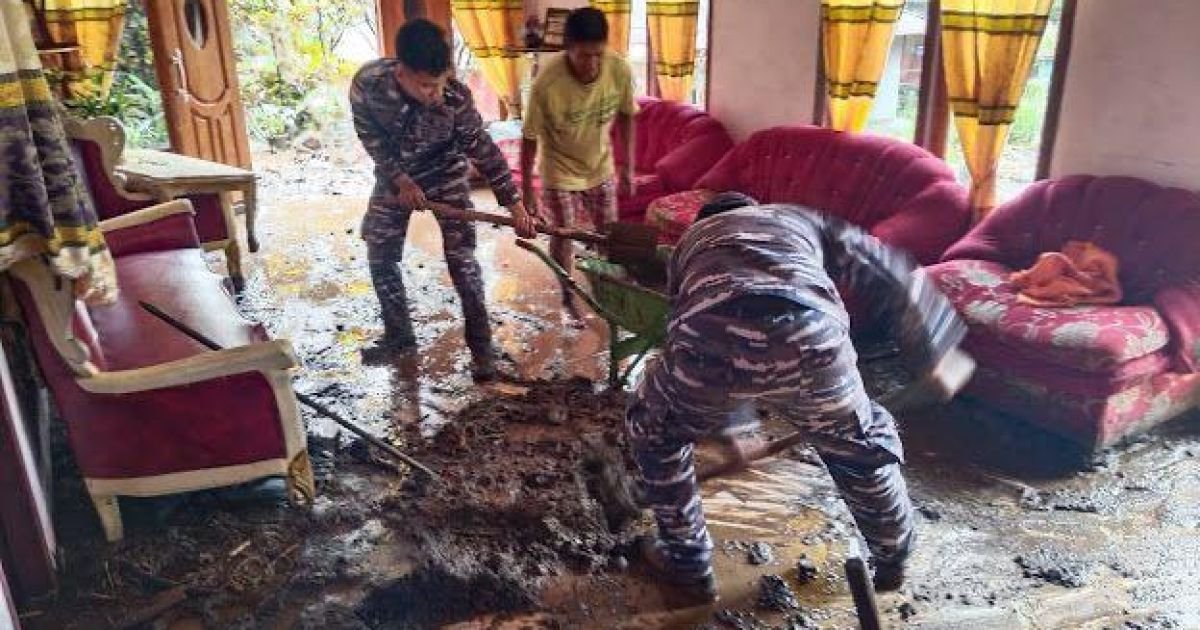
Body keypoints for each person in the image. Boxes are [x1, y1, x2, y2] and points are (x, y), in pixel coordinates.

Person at [627, 193, 975, 602]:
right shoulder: (800, 219)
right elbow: (888, 270)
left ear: (706, 220)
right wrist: (934, 352)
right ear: (756, 209)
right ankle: (892, 555)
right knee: (859, 446)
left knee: (657, 431)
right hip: (814, 342)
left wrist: (737, 427)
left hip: (711, 349)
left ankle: (687, 566)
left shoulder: (692, 241)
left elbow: (706, 324)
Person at [350, 19, 537, 378]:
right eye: (426, 86)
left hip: (447, 172)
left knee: (463, 259)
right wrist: (401, 180)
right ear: (400, 72)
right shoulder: (368, 85)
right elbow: (369, 136)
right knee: (380, 252)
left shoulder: (454, 97)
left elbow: (483, 150)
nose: (436, 93)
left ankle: (482, 350)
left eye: (440, 83)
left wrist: (515, 205)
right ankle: (399, 339)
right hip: (396, 174)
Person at [520, 7, 637, 317]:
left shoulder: (619, 69)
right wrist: (528, 193)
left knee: (609, 237)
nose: (592, 64)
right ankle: (567, 296)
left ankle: (609, 293)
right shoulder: (547, 83)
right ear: (567, 50)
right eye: (584, 56)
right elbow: (529, 138)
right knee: (563, 236)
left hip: (601, 167)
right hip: (559, 171)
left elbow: (627, 115)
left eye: (598, 54)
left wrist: (628, 166)